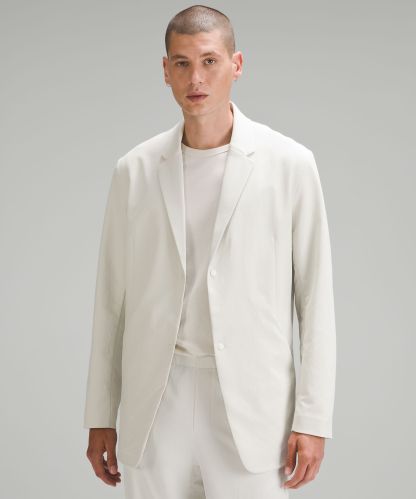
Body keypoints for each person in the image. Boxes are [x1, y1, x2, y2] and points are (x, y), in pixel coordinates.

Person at [84, 5, 337, 498]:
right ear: (165, 71)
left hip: (253, 404)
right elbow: (111, 301)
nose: (195, 78)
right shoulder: (135, 170)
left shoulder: (289, 164)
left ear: (236, 65)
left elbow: (315, 299)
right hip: (157, 401)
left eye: (209, 61)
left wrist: (313, 418)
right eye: (181, 63)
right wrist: (100, 414)